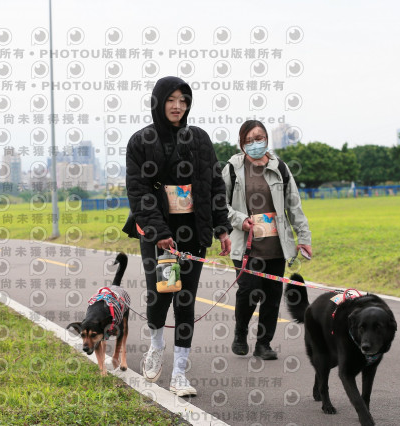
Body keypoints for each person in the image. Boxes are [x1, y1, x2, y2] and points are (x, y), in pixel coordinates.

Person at [125, 76, 232, 396]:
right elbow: (139, 191)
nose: (178, 106)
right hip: (162, 236)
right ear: (159, 102)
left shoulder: (199, 138)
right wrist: (158, 232)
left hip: (194, 233)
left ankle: (180, 373)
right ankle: (156, 346)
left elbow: (215, 184)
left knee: (185, 300)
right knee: (161, 295)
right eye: (171, 99)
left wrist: (221, 227)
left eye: (183, 100)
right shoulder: (141, 141)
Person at [222, 120, 312, 360]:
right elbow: (219, 203)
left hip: (275, 245)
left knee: (272, 297)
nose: (254, 144)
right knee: (249, 291)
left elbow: (294, 205)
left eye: (259, 138)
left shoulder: (279, 167)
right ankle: (240, 333)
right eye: (249, 140)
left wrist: (303, 237)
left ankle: (264, 343)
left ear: (266, 139)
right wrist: (240, 219)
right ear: (241, 143)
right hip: (247, 245)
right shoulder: (233, 168)